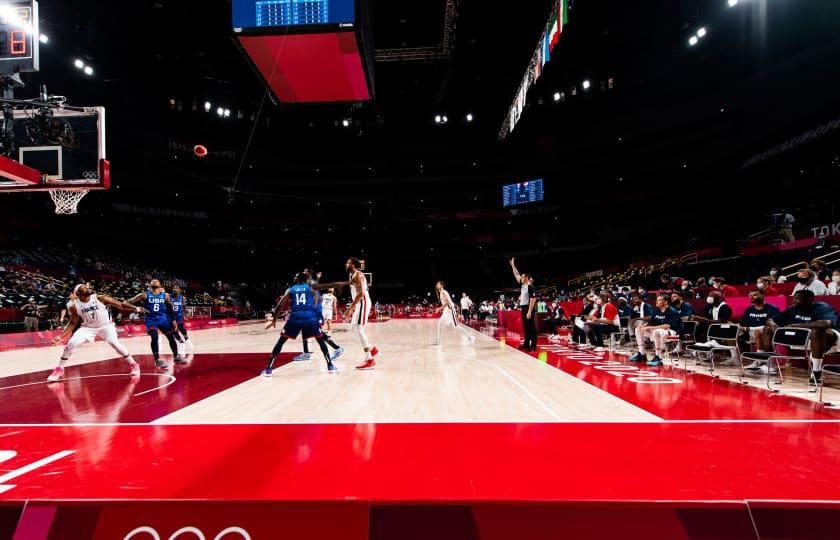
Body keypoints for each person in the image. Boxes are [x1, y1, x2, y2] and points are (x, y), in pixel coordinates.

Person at [47, 284, 147, 382]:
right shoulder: (74, 306)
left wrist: (136, 308)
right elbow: (72, 323)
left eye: (87, 287)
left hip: (106, 326)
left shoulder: (100, 298)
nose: (88, 288)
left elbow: (121, 305)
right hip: (88, 328)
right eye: (84, 288)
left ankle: (134, 364)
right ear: (79, 294)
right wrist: (61, 336)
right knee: (71, 344)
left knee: (114, 343)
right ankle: (59, 369)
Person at [262, 273, 337, 376]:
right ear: (306, 280)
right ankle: (330, 366)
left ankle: (268, 369)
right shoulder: (311, 288)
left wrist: (274, 319)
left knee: (281, 341)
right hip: (310, 318)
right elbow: (329, 285)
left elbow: (279, 306)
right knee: (320, 341)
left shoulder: (291, 289)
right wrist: (348, 282)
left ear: (298, 279)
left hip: (295, 318)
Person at [759, 290, 839, 385]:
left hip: (829, 337)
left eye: (797, 298)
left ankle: (816, 372)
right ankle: (771, 366)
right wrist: (776, 328)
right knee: (767, 329)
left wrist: (796, 326)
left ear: (809, 300)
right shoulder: (793, 309)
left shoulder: (822, 307)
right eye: (794, 298)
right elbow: (770, 319)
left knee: (816, 332)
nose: (794, 301)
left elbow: (826, 323)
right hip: (801, 336)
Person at [127, 279, 184, 369]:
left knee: (171, 337)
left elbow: (170, 308)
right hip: (151, 320)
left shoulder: (165, 296)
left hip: (163, 319)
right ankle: (157, 360)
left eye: (156, 284)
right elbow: (127, 302)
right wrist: (137, 308)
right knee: (154, 336)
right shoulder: (144, 295)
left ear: (160, 285)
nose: (154, 285)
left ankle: (176, 356)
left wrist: (173, 320)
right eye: (153, 284)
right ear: (150, 286)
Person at [629, 294, 683, 366]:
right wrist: (643, 326)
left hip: (673, 333)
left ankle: (658, 358)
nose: (656, 302)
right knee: (638, 329)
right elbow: (651, 322)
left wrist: (649, 328)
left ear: (666, 302)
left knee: (657, 331)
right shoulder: (656, 311)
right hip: (659, 332)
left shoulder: (672, 311)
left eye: (659, 300)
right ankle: (642, 354)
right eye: (656, 300)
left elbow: (667, 326)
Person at [740, 290, 781, 372]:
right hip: (749, 333)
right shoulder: (749, 309)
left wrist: (750, 329)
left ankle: (765, 362)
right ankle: (735, 358)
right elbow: (743, 324)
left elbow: (771, 325)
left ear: (763, 295)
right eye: (750, 295)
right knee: (729, 329)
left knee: (759, 332)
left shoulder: (773, 309)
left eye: (754, 295)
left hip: (768, 333)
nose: (751, 297)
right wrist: (740, 328)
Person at [510, 258, 537, 352]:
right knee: (525, 326)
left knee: (531, 327)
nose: (520, 278)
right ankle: (526, 343)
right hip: (523, 307)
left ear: (526, 278)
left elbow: (533, 300)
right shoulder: (523, 285)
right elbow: (516, 274)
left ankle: (533, 345)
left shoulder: (530, 286)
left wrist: (529, 312)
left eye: (522, 277)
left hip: (529, 308)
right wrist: (512, 265)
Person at [170, 285, 194, 355]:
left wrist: (186, 314)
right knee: (174, 332)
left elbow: (184, 306)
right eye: (174, 288)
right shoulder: (169, 297)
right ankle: (181, 343)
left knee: (182, 329)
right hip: (172, 316)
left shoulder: (182, 298)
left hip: (179, 316)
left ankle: (187, 340)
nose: (175, 289)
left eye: (177, 288)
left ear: (179, 290)